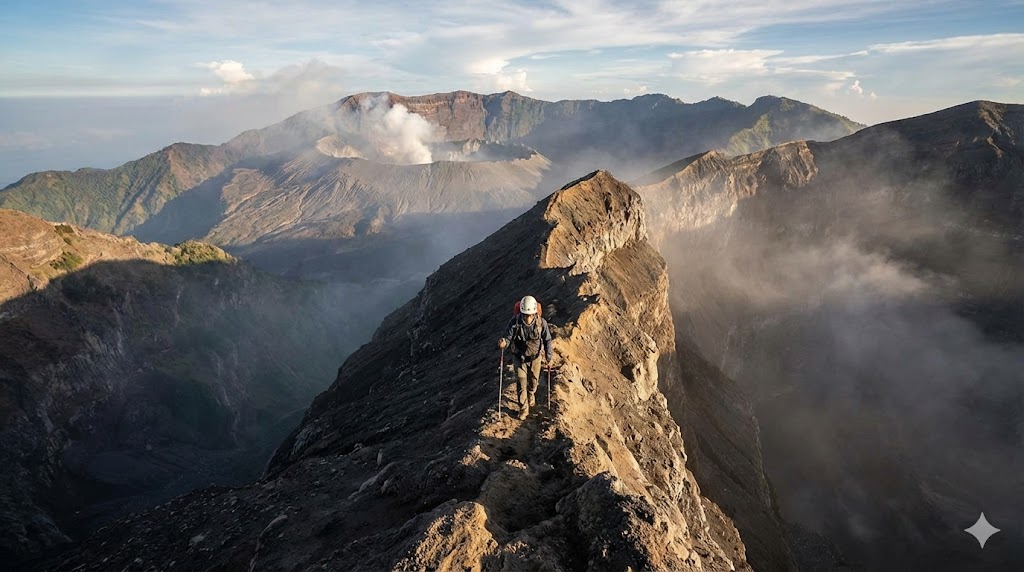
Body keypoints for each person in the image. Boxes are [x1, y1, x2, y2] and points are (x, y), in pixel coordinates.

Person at [498, 295, 552, 419]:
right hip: (519, 358)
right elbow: (507, 337)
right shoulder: (514, 322)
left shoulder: (541, 323)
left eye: (530, 315)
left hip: (535, 358)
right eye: (525, 315)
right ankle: (523, 408)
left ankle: (531, 394)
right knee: (521, 383)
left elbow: (547, 339)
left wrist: (549, 356)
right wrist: (504, 343)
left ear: (534, 314)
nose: (527, 318)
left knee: (533, 382)